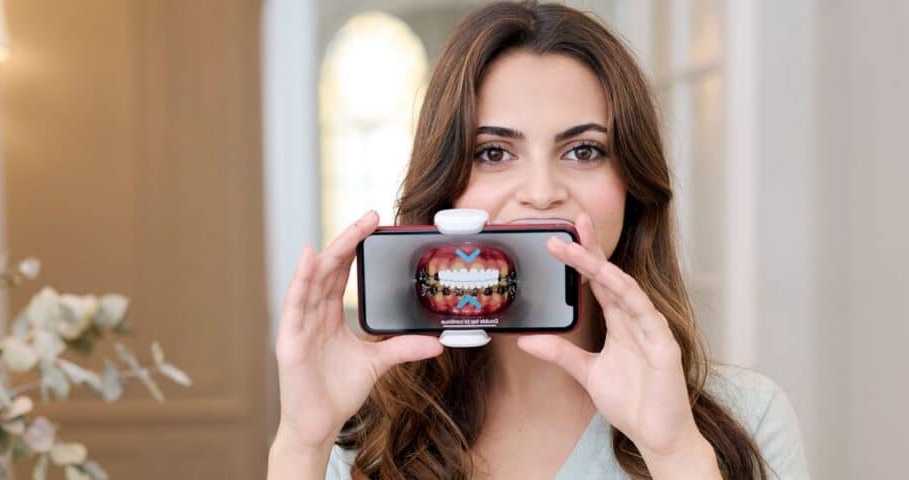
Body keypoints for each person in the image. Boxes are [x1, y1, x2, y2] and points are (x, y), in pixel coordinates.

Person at [268, 1, 809, 479]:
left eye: (584, 151)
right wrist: (301, 443)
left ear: (633, 188)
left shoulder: (748, 419)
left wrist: (674, 455)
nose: (543, 192)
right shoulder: (368, 435)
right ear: (446, 193)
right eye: (495, 153)